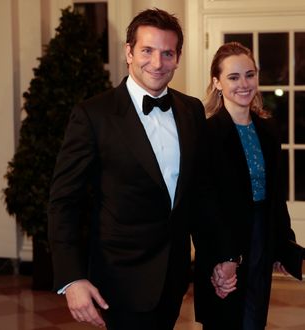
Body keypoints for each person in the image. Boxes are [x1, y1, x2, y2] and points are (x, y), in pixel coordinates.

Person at [48, 8, 237, 330]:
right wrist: (72, 278)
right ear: (129, 53)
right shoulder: (94, 114)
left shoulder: (190, 109)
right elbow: (64, 201)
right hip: (119, 278)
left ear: (178, 58)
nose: (157, 63)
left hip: (175, 274)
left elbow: (201, 192)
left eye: (167, 53)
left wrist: (222, 255)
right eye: (147, 51)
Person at [194, 41, 299, 330]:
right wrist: (223, 257)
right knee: (225, 320)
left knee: (254, 320)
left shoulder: (268, 129)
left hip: (262, 237)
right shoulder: (206, 132)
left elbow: (276, 197)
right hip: (225, 238)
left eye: (250, 75)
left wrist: (283, 244)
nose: (244, 84)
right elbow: (204, 203)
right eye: (233, 77)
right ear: (217, 82)